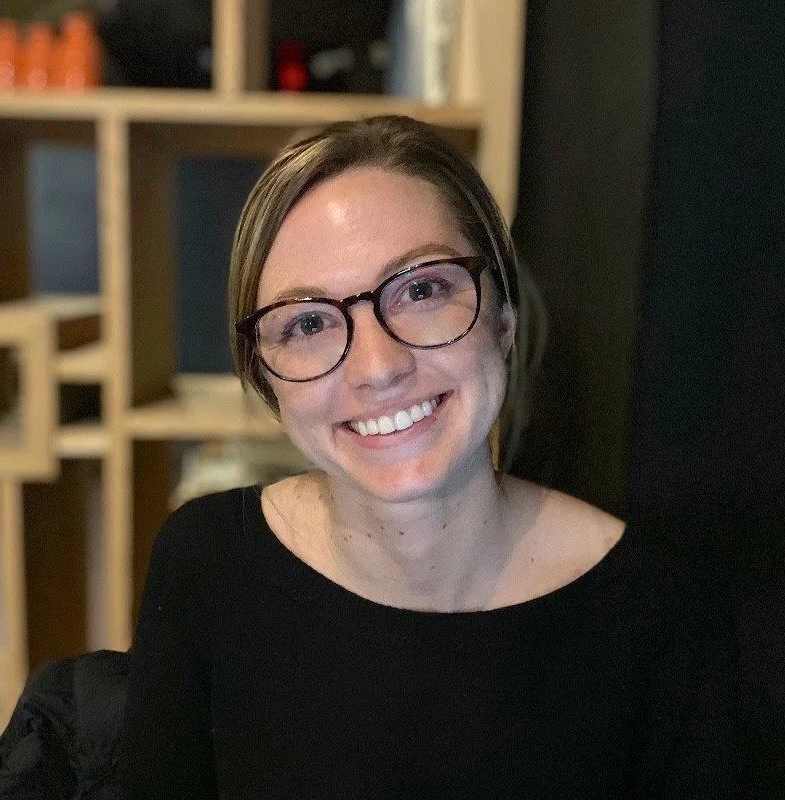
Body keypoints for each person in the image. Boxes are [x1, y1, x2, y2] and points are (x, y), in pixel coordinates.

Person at [118, 115, 741, 798]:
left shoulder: (661, 609)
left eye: (420, 290)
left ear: (502, 317)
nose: (378, 367)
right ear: (266, 378)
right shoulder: (207, 564)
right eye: (307, 323)